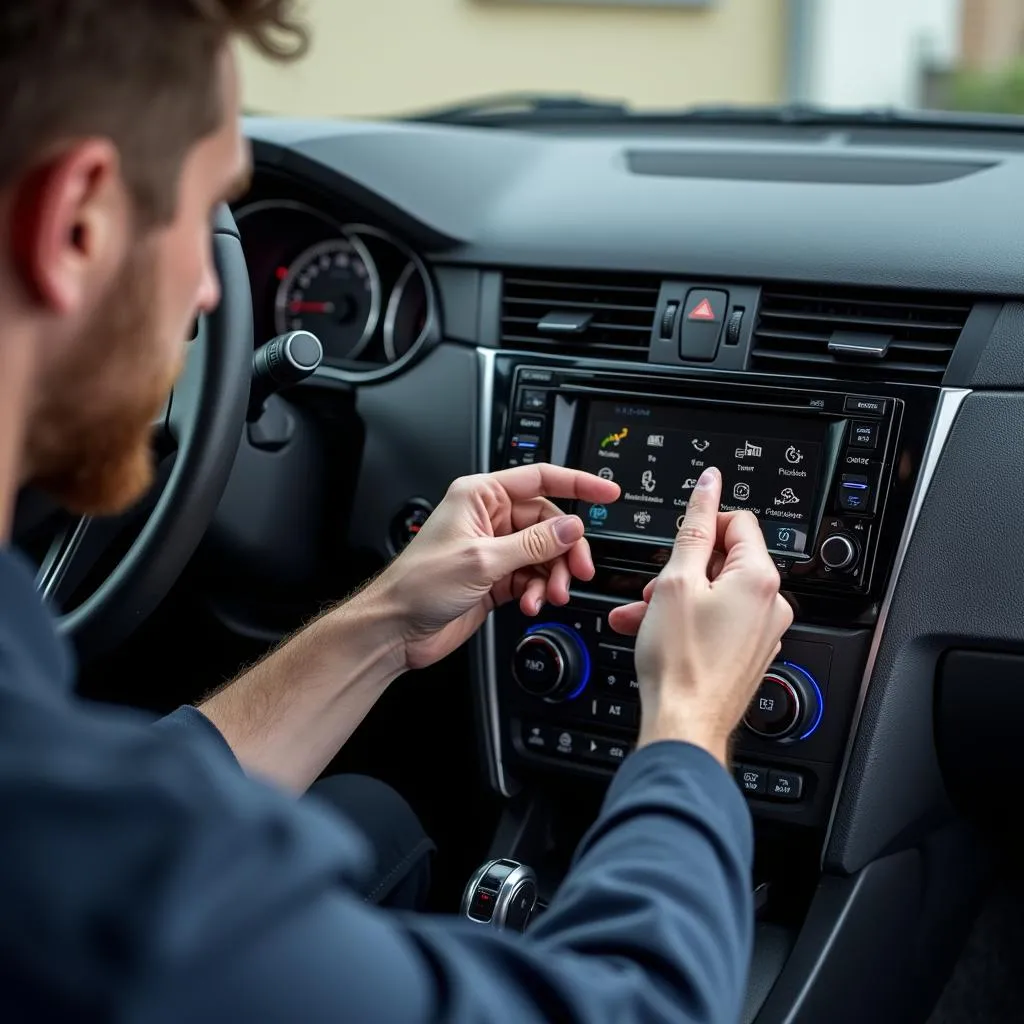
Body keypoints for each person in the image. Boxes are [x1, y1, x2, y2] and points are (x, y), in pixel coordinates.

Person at [0, 3, 794, 1022]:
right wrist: (687, 721)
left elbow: (116, 803)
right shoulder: (89, 886)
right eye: (204, 220)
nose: (207, 295)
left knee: (373, 819)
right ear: (78, 222)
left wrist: (380, 623)